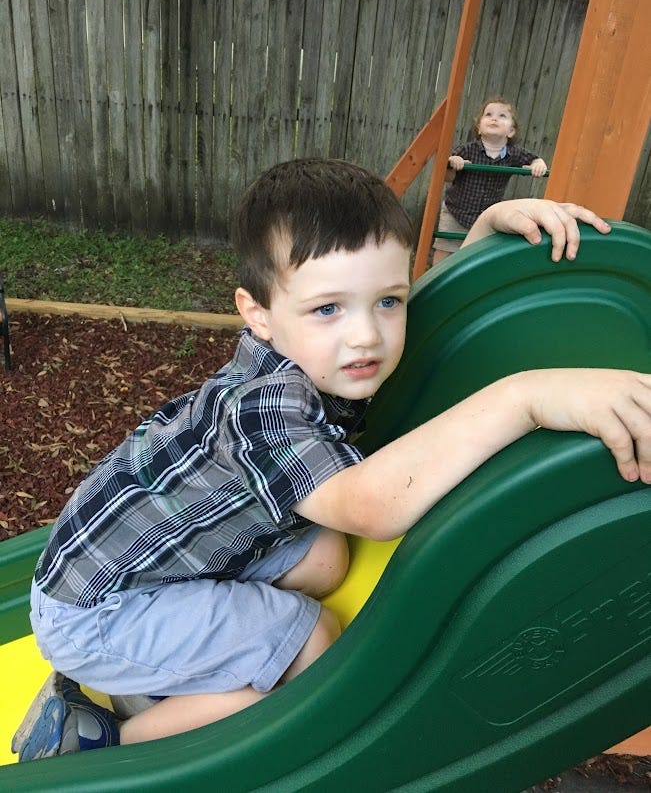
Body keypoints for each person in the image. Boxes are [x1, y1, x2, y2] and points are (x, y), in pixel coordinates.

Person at [13, 159, 651, 762]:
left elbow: (419, 319)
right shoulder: (266, 409)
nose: (366, 334)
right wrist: (528, 397)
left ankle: (178, 660)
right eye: (328, 309)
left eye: (388, 301)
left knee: (324, 556)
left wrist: (485, 234)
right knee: (310, 642)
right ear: (256, 313)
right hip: (103, 611)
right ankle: (101, 738)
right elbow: (372, 506)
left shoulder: (315, 351)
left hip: (129, 565)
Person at [432, 97, 548, 264]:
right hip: (455, 211)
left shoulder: (513, 154)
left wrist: (538, 165)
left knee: (477, 252)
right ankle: (436, 278)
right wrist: (453, 163)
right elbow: (447, 177)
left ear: (511, 131)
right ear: (479, 128)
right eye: (488, 114)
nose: (494, 118)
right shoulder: (467, 150)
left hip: (486, 217)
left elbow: (534, 160)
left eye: (502, 116)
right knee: (445, 248)